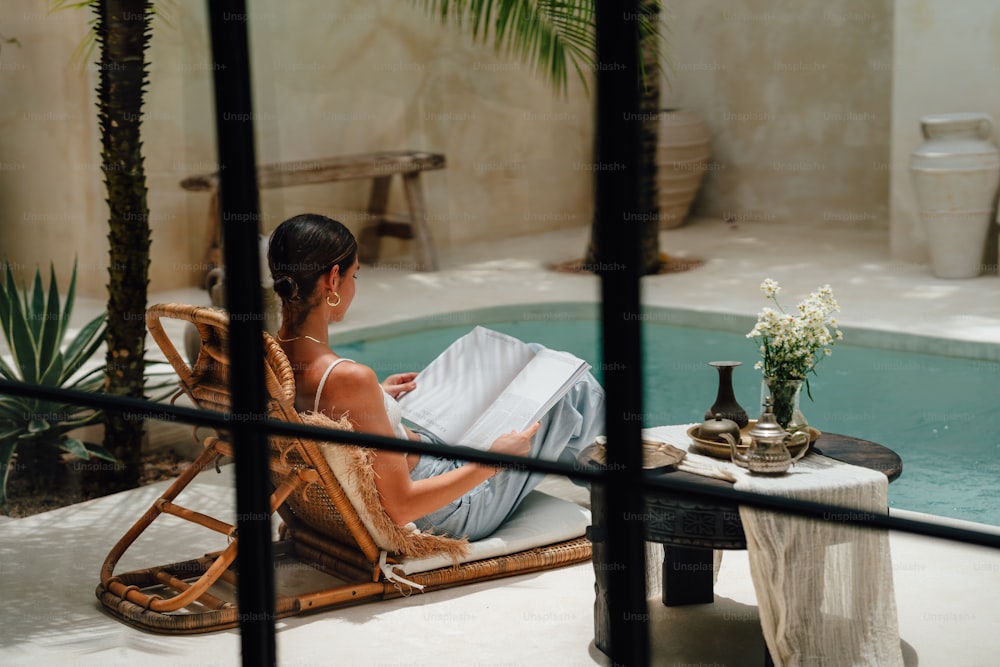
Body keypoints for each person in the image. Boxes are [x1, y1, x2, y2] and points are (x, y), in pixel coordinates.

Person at [267, 213, 605, 541]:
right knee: (571, 386)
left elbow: (323, 407)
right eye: (355, 276)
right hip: (447, 510)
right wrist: (496, 460)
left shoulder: (270, 359)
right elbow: (401, 507)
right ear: (332, 279)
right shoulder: (348, 379)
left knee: (529, 357)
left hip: (427, 453)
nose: (354, 287)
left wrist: (379, 400)